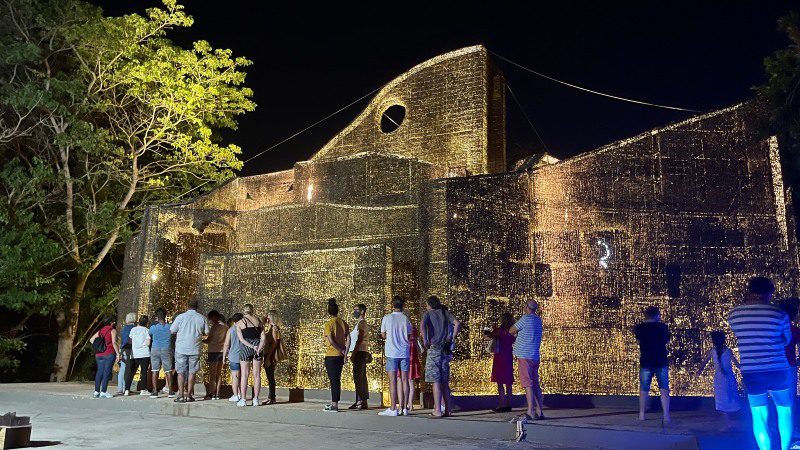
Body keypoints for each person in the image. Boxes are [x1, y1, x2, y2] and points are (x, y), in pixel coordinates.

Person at [729, 277, 793, 450]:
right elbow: (787, 340)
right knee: (784, 411)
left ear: (749, 291)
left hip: (752, 371)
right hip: (778, 369)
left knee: (759, 415)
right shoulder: (779, 313)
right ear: (770, 292)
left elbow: (742, 336)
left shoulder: (734, 315)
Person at [421, 295, 461, 418]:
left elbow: (422, 326)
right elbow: (457, 323)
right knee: (444, 381)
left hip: (434, 348)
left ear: (429, 305)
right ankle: (448, 410)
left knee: (436, 380)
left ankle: (437, 410)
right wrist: (452, 338)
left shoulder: (428, 314)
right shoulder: (445, 313)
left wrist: (425, 340)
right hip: (444, 349)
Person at [696, 330, 741, 428]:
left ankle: (727, 421)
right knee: (729, 396)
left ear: (713, 341)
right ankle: (728, 421)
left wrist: (699, 370)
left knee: (722, 399)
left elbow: (704, 363)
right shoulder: (728, 351)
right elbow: (737, 364)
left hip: (719, 379)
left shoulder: (712, 351)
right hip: (729, 378)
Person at [634, 305, 671, 423]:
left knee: (644, 389)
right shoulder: (662, 327)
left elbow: (638, 341)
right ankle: (666, 415)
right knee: (664, 389)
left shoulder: (639, 327)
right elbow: (667, 341)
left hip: (646, 361)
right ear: (656, 315)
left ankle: (642, 414)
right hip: (661, 361)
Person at [170, 298, 209, 403]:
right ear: (197, 306)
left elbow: (172, 330)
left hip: (181, 348)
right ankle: (189, 395)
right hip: (195, 349)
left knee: (180, 372)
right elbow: (207, 332)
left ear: (187, 306)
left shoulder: (180, 317)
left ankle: (181, 395)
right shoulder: (202, 318)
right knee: (192, 372)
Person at [510, 299, 544, 421]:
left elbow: (511, 330)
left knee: (527, 384)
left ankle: (530, 411)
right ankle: (539, 411)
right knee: (535, 384)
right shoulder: (538, 320)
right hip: (535, 356)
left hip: (524, 356)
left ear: (526, 307)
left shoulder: (525, 318)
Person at [378, 296, 412, 417]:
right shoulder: (406, 318)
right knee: (405, 380)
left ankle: (393, 408)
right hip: (404, 352)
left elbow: (383, 335)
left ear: (392, 304)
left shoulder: (387, 318)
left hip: (392, 352)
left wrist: (391, 336)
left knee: (392, 380)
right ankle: (404, 408)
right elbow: (409, 335)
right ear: (403, 305)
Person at [485, 312, 516, 412]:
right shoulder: (513, 331)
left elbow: (487, 337)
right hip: (508, 356)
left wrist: (486, 328)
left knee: (500, 381)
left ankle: (501, 404)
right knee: (508, 382)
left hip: (499, 357)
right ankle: (509, 404)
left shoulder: (499, 330)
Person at [323, 298, 350, 412]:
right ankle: (334, 403)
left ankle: (334, 404)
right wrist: (345, 352)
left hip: (331, 355)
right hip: (340, 356)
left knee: (334, 380)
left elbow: (331, 340)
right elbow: (348, 338)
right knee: (336, 380)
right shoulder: (343, 322)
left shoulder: (329, 324)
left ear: (328, 311)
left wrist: (340, 350)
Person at [235, 304, 264, 407]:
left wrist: (251, 346)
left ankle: (243, 399)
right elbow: (263, 336)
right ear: (252, 310)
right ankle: (256, 399)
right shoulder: (258, 321)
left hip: (246, 347)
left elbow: (241, 339)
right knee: (257, 375)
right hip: (258, 347)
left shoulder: (240, 323)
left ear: (244, 311)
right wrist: (259, 347)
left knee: (244, 375)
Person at [777, 297, 800, 411]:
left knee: (778, 395)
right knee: (791, 395)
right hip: (790, 365)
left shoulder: (775, 330)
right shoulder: (795, 330)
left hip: (776, 365)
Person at [347, 303, 370, 410]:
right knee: (361, 377)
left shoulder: (361, 323)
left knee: (358, 377)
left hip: (360, 352)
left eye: (356, 310)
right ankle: (363, 401)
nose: (354, 312)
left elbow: (359, 339)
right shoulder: (361, 323)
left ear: (362, 311)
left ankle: (359, 401)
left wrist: (354, 353)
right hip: (362, 352)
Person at [90, 316, 119, 398]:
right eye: (113, 321)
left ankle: (96, 391)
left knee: (99, 371)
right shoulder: (112, 330)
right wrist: (117, 353)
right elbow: (114, 342)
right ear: (111, 323)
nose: (114, 323)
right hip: (109, 353)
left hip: (99, 354)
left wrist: (98, 346)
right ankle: (103, 391)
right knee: (106, 372)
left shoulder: (101, 330)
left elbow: (91, 340)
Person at [149, 308, 174, 398]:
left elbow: (149, 335)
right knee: (168, 370)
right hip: (166, 349)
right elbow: (173, 334)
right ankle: (170, 391)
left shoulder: (153, 328)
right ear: (165, 316)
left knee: (155, 370)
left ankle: (155, 391)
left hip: (155, 349)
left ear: (157, 316)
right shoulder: (170, 327)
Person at [125, 315, 152, 396]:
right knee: (143, 372)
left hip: (134, 353)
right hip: (144, 353)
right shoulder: (147, 330)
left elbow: (130, 341)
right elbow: (148, 343)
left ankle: (127, 390)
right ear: (147, 323)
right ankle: (143, 390)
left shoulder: (133, 329)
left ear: (139, 321)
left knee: (131, 372)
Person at [204, 310, 227, 400]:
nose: (210, 321)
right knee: (219, 374)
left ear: (215, 317)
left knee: (212, 375)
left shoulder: (214, 327)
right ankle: (217, 394)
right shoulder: (226, 327)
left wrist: (200, 340)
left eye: (211, 318)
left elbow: (209, 339)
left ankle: (212, 394)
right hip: (222, 351)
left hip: (213, 351)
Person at [262, 310, 283, 405]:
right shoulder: (270, 327)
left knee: (270, 376)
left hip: (270, 354)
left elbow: (274, 343)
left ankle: (272, 397)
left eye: (268, 316)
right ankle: (270, 397)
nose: (267, 318)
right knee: (269, 376)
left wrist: (268, 358)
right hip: (268, 353)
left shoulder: (274, 328)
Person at [223, 313, 244, 403]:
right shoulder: (244, 329)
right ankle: (242, 395)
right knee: (242, 377)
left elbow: (226, 344)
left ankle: (236, 395)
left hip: (234, 356)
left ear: (234, 321)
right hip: (244, 356)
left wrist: (224, 356)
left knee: (235, 376)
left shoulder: (231, 330)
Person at [116, 312, 136, 395]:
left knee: (123, 368)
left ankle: (120, 388)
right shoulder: (134, 328)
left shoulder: (124, 328)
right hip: (130, 349)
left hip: (123, 348)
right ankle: (126, 388)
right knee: (129, 368)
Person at [406, 322, 421, 411]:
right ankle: (410, 404)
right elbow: (418, 349)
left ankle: (405, 404)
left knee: (404, 382)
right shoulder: (414, 330)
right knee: (411, 383)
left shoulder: (404, 331)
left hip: (406, 359)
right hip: (413, 360)